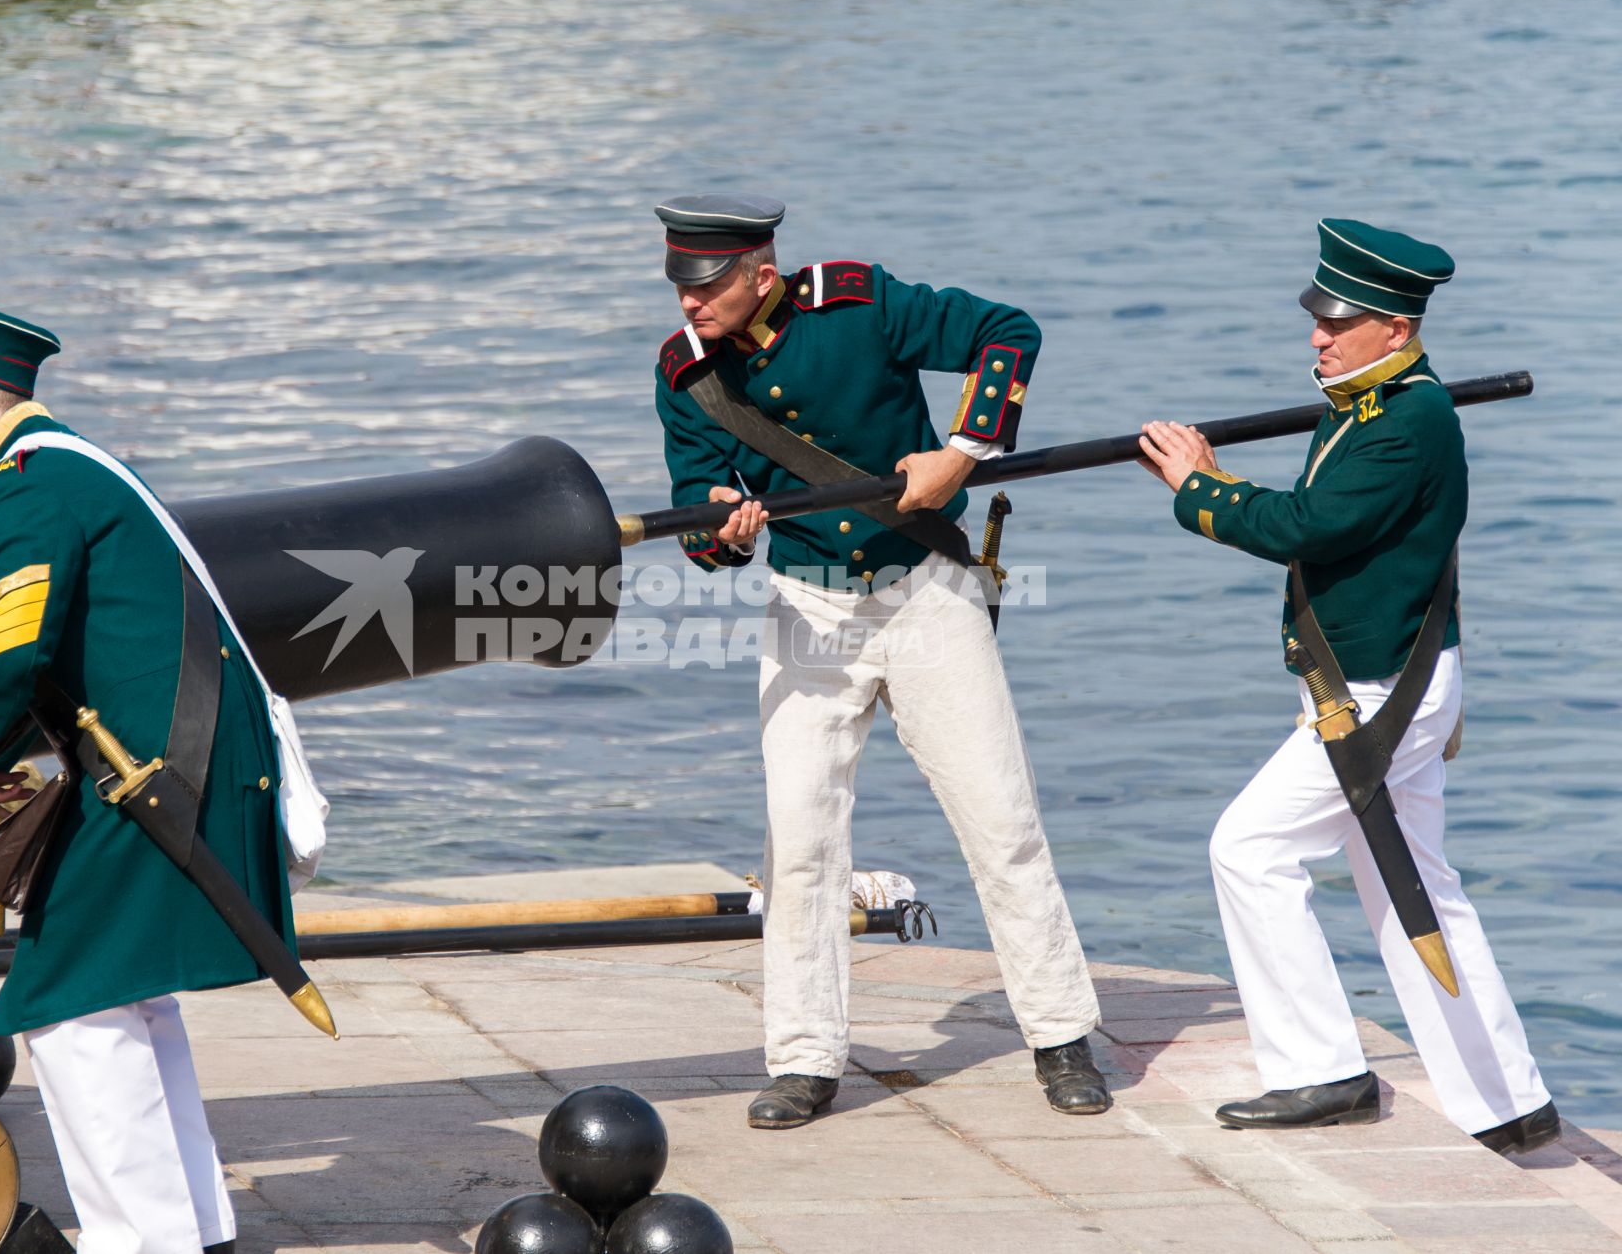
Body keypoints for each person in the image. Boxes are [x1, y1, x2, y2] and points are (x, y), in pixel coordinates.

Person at [650, 194, 1108, 1128]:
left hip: (926, 594)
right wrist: (724, 528)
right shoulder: (684, 375)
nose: (689, 305)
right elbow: (698, 506)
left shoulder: (860, 306)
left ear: (760, 275)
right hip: (807, 608)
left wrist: (961, 452)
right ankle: (806, 1058)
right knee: (801, 845)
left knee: (1000, 820)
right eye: (680, 286)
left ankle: (1061, 1037)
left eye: (707, 287)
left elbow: (1006, 333)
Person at [1136, 220, 1557, 1155]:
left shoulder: (1405, 420)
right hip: (1391, 679)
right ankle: (1508, 1100)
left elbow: (1304, 525)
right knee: (1414, 886)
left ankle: (1319, 1070)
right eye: (1318, 319)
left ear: (1396, 331)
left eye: (1341, 323)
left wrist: (1195, 485)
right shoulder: (1372, 398)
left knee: (1247, 850)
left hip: (1374, 693)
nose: (1319, 337)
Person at [0, 292, 297, 1251]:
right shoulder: (68, 465)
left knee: (70, 1002)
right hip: (172, 756)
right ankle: (194, 1230)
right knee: (125, 993)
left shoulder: (28, 487)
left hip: (164, 767)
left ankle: (146, 1240)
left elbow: (9, 648)